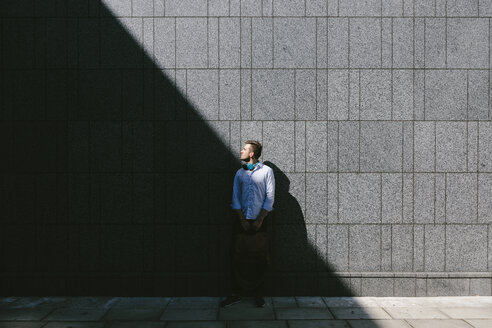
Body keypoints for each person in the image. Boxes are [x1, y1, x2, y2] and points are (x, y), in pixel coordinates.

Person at [220, 140, 275, 308]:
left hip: (261, 222)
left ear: (252, 154)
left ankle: (258, 294)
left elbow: (270, 196)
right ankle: (235, 293)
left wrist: (260, 220)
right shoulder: (240, 173)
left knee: (260, 257)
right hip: (241, 221)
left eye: (244, 149)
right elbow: (235, 197)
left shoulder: (267, 171)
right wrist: (241, 219)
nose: (241, 151)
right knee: (236, 256)